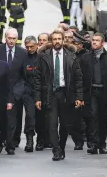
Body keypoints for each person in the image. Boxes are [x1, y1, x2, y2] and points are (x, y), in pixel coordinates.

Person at [34, 28, 83, 161]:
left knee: (65, 124)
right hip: (50, 94)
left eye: (59, 39)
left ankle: (61, 147)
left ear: (63, 40)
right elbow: (38, 78)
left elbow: (78, 78)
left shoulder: (71, 56)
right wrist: (38, 98)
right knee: (52, 123)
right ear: (51, 41)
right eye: (54, 39)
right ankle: (56, 151)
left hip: (66, 94)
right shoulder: (44, 57)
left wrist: (79, 97)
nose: (57, 41)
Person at [0, 28, 29, 154]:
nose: (11, 41)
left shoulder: (22, 53)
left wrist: (19, 91)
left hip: (15, 92)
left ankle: (10, 145)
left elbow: (23, 75)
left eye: (14, 39)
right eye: (9, 38)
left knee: (12, 120)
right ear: (5, 37)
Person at [23, 36, 40, 152]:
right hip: (27, 92)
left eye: (32, 47)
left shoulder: (42, 58)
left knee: (41, 117)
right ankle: (29, 140)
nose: (29, 49)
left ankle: (41, 140)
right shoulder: (23, 58)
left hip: (40, 92)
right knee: (30, 116)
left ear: (37, 45)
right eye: (27, 47)